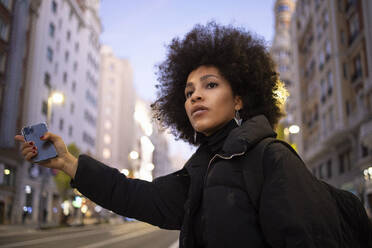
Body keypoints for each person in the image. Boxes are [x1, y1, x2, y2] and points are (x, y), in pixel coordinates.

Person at [14, 22, 353, 247]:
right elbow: (136, 196)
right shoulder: (202, 169)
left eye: (210, 85)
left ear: (239, 98)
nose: (195, 96)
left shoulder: (272, 158)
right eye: (189, 91)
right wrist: (71, 164)